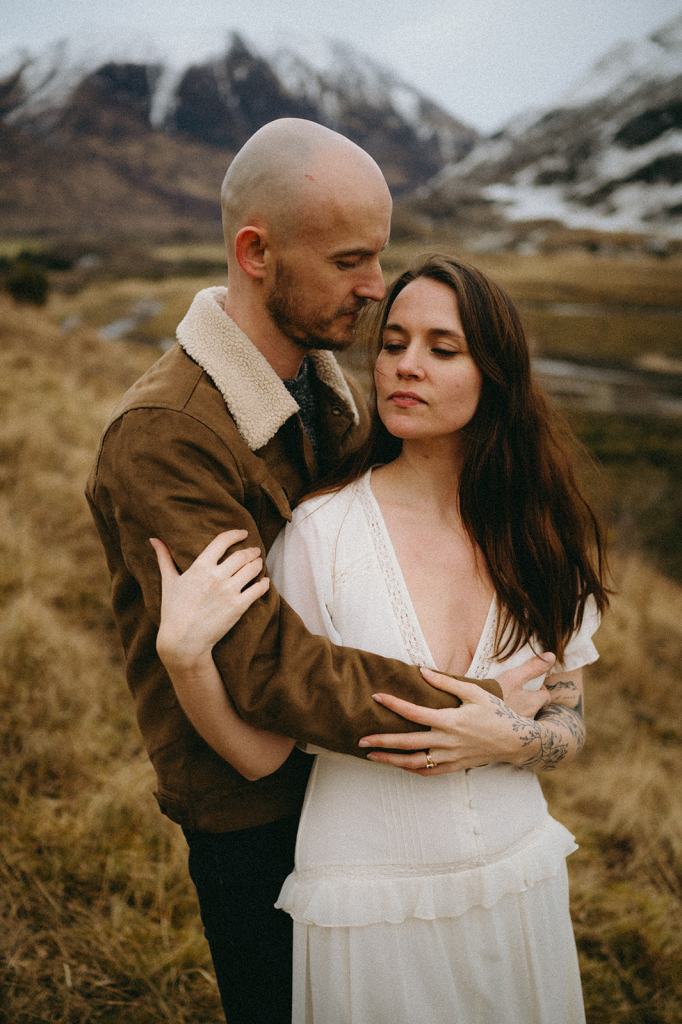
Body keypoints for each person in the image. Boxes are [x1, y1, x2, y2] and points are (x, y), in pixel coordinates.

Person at [85, 120, 554, 1024]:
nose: (375, 288)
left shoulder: (319, 384)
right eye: (350, 261)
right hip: (254, 809)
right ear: (256, 253)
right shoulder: (169, 435)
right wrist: (474, 705)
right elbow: (261, 665)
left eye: (377, 257)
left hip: (349, 782)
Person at [152, 254, 609, 1024]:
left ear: (494, 372)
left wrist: (509, 740)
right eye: (393, 343)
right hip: (368, 904)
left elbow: (567, 714)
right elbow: (261, 753)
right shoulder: (319, 532)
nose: (406, 366)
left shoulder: (538, 531)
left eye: (442, 348)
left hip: (520, 877)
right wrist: (186, 660)